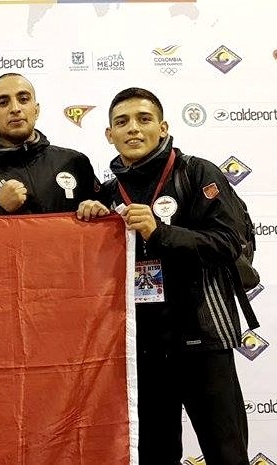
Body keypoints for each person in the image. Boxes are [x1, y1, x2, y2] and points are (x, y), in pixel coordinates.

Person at [78, 87, 250, 464]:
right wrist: (92, 218)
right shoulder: (109, 192)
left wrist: (161, 232)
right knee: (156, 455)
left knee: (227, 455)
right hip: (144, 350)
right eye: (122, 122)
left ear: (163, 127)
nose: (133, 128)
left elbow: (229, 243)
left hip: (203, 339)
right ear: (109, 134)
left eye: (144, 119)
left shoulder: (196, 172)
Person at [0, 73, 102, 214]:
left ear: (36, 110)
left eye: (23, 99)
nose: (15, 108)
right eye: (3, 103)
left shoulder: (75, 161)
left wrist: (97, 209)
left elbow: (108, 216)